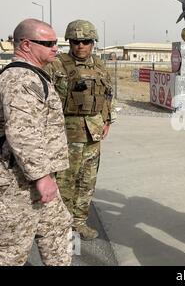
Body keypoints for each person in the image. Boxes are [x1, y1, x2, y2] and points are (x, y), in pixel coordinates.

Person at [0, 18, 72, 265]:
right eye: (49, 42)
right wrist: (42, 177)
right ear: (26, 45)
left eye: (56, 42)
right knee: (12, 250)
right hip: (17, 183)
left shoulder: (33, 75)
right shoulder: (20, 79)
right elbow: (22, 132)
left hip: (34, 177)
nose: (55, 47)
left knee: (58, 229)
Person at [44, 19, 114, 240]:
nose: (80, 46)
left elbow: (108, 94)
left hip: (92, 133)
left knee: (87, 181)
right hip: (66, 133)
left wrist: (107, 120)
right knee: (64, 182)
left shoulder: (100, 66)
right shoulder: (56, 65)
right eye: (75, 41)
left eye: (85, 41)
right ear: (70, 42)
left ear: (93, 42)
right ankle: (61, 226)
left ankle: (79, 222)